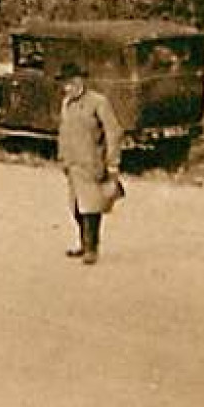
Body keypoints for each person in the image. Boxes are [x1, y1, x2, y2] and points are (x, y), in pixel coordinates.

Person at [57, 61, 125, 265]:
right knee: (76, 208)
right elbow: (64, 132)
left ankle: (92, 249)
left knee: (92, 207)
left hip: (93, 163)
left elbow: (114, 132)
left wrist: (112, 163)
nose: (67, 88)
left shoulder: (98, 102)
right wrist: (62, 158)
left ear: (81, 80)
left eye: (71, 82)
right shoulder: (66, 103)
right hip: (73, 164)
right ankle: (83, 244)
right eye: (65, 84)